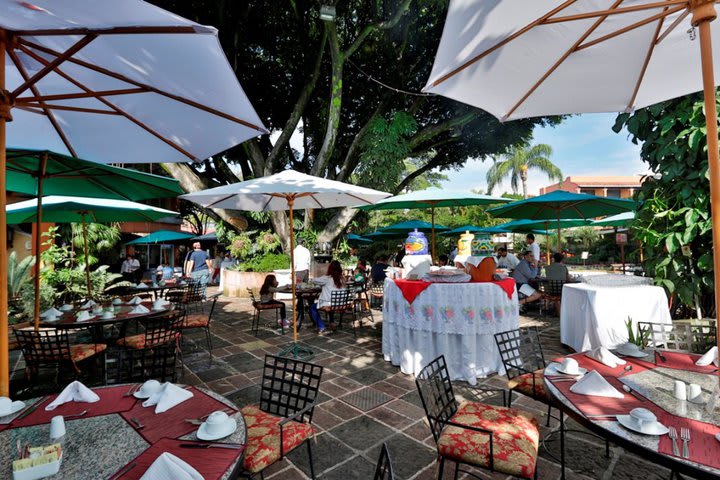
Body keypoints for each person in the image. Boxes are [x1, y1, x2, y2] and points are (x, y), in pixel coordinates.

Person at [309, 260, 346, 335]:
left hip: (329, 304)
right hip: (341, 304)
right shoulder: (342, 279)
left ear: (330, 268)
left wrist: (311, 277)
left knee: (312, 308)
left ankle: (322, 326)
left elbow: (314, 280)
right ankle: (332, 323)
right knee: (330, 302)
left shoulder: (327, 278)